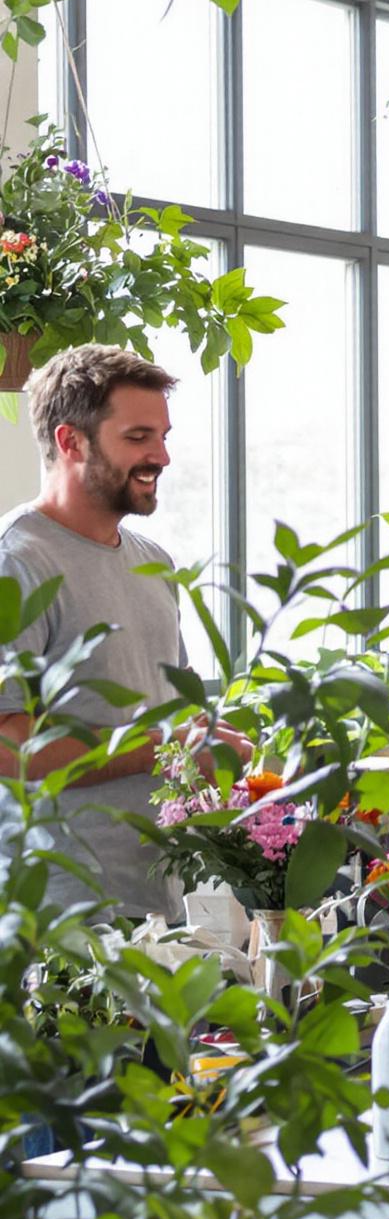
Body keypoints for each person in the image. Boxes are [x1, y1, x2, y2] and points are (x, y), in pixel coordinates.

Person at [0, 347, 235, 917]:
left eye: (163, 435)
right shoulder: (17, 561)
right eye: (138, 437)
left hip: (156, 907)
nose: (162, 455)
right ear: (70, 441)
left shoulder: (154, 561)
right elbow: (8, 746)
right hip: (53, 923)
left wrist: (212, 746)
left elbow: (168, 720)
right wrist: (158, 752)